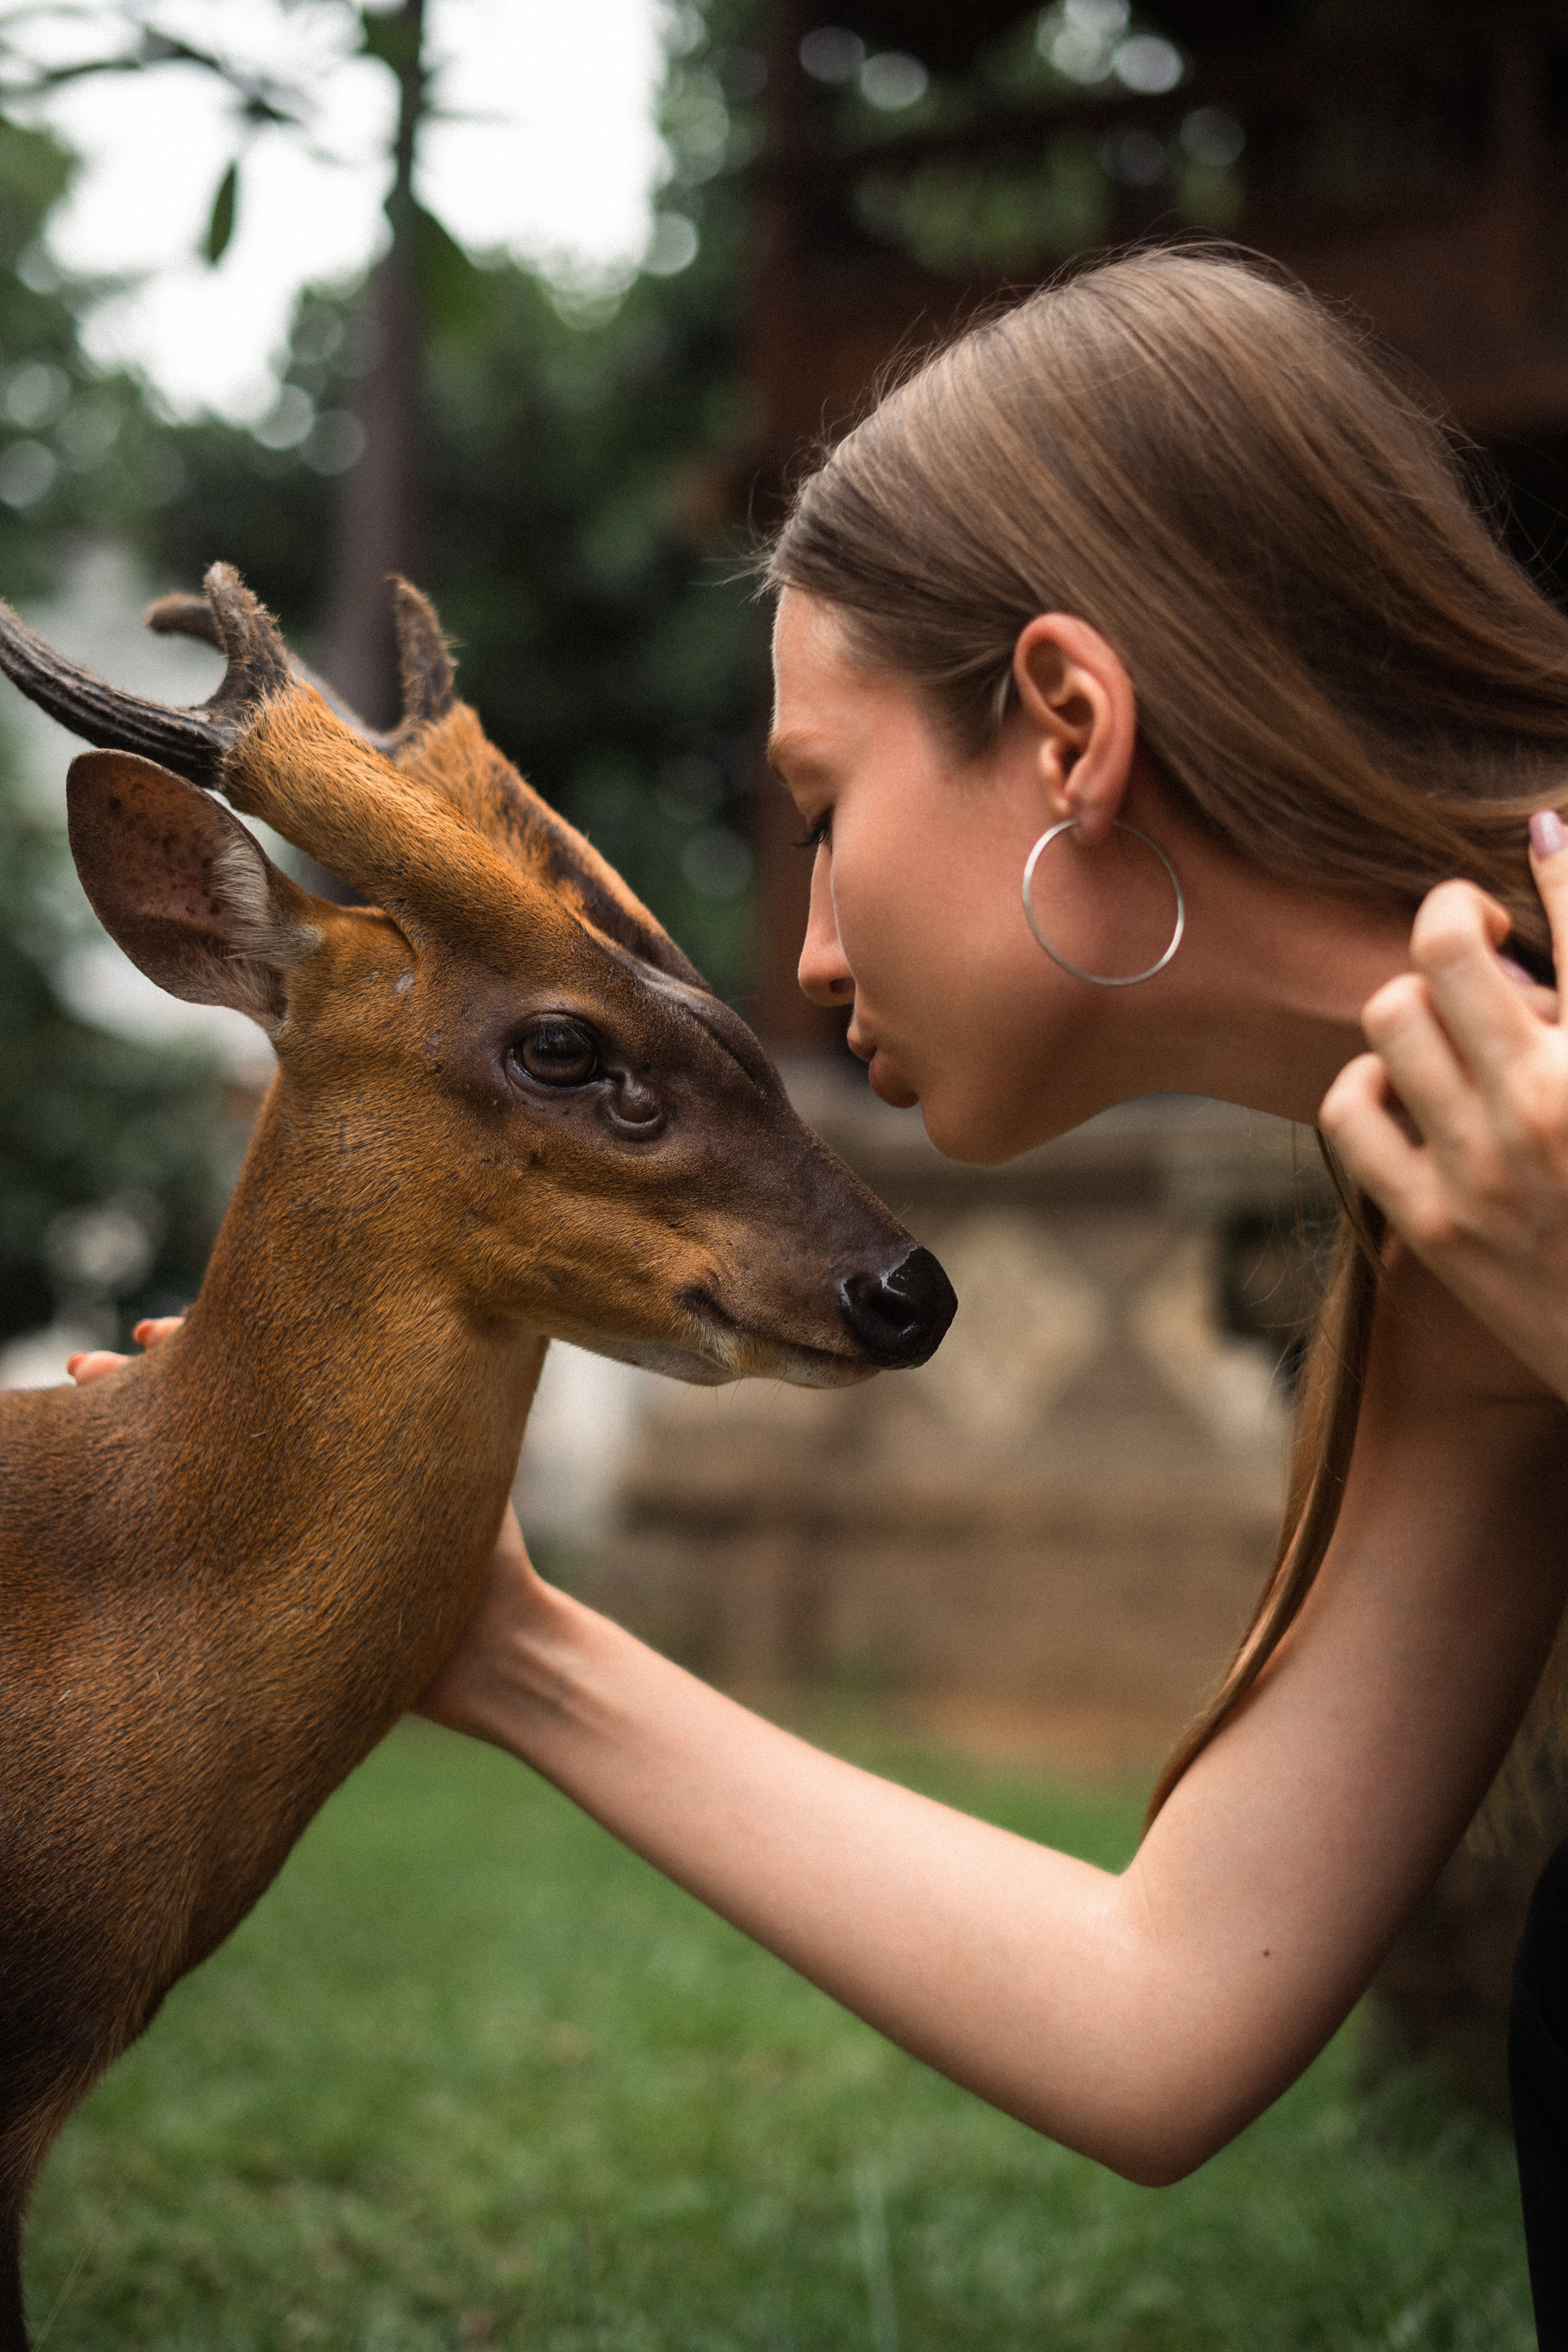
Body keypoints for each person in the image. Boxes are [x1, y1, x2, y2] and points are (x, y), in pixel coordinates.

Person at [74, 248, 1568, 2338]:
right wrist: (505, 1647)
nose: (809, 954)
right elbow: (1165, 2021)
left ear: (1067, 731)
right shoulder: (1447, 1225)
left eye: (823, 812)